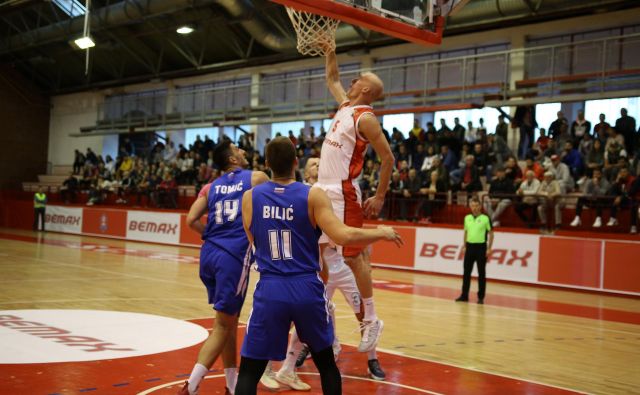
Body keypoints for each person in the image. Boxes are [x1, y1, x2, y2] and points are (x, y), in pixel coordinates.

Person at [234, 137, 402, 395]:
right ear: (295, 162)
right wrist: (379, 232)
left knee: (248, 372)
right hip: (306, 287)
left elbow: (253, 238)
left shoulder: (250, 198)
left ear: (267, 163)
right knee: (326, 365)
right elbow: (344, 236)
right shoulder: (312, 195)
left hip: (270, 287)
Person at [316, 48, 394, 353]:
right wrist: (330, 51)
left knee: (353, 256)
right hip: (322, 189)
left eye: (358, 78)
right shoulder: (347, 105)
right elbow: (332, 77)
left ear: (365, 89)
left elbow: (387, 158)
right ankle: (322, 322)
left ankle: (371, 319)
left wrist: (379, 195)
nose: (351, 80)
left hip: (343, 191)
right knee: (319, 254)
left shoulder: (366, 118)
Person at [177, 141, 269, 395]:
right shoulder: (258, 177)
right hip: (233, 257)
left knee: (228, 321)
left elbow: (191, 219)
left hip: (209, 255)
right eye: (238, 149)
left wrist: (212, 235)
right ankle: (191, 386)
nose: (243, 151)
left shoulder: (211, 186)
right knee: (222, 326)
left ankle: (231, 385)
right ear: (232, 159)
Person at [455, 197, 493, 304]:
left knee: (481, 273)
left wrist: (489, 248)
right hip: (470, 247)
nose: (474, 208)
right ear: (470, 206)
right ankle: (464, 295)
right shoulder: (467, 218)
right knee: (466, 272)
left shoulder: (486, 218)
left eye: (476, 205)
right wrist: (464, 245)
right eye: (473, 205)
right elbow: (466, 232)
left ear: (480, 206)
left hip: (481, 248)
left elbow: (491, 234)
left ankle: (481, 297)